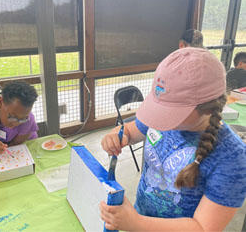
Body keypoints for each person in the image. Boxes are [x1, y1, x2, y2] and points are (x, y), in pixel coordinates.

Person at [100, 48, 246, 231]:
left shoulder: (232, 158)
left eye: (170, 113)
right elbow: (129, 130)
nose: (159, 120)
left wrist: (136, 223)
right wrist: (115, 135)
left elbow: (203, 227)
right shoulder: (160, 121)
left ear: (208, 108)